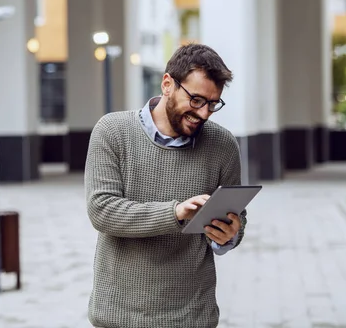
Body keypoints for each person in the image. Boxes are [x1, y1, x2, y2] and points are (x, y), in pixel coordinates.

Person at [84, 43, 247, 328]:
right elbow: (103, 210)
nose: (205, 113)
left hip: (192, 316)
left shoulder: (223, 146)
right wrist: (175, 213)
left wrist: (230, 234)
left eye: (213, 103)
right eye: (196, 100)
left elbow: (236, 221)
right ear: (168, 84)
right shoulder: (112, 132)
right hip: (120, 316)